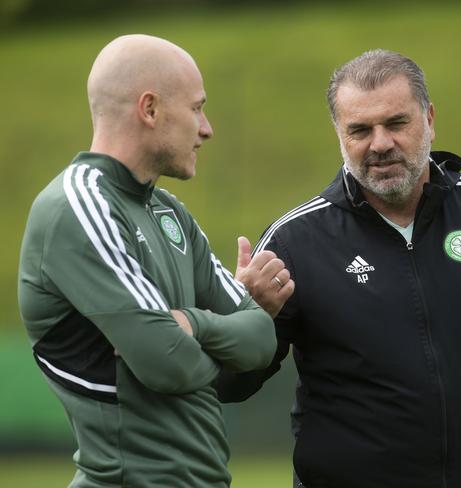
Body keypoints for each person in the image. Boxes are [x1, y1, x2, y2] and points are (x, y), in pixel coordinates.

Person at [217, 49, 461, 488]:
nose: (380, 144)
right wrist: (247, 320)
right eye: (360, 130)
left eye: (396, 123)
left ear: (428, 119)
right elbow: (230, 385)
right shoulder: (294, 241)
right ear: (339, 134)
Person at [17, 34, 293, 487]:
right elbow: (168, 362)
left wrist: (192, 323)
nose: (207, 128)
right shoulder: (77, 206)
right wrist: (212, 342)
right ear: (150, 109)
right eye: (197, 108)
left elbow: (261, 338)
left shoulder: (169, 212)